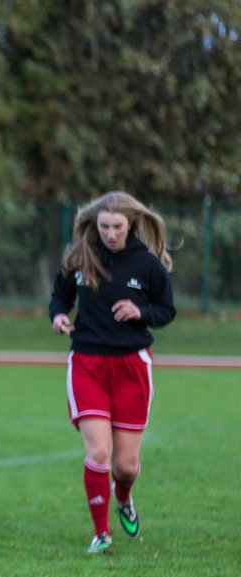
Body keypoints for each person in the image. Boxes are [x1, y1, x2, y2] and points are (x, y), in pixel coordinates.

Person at [49, 191, 176, 554]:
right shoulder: (79, 257)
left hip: (131, 367)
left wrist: (141, 312)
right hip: (87, 363)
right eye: (103, 226)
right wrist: (58, 315)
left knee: (124, 466)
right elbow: (59, 297)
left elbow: (166, 311)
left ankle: (124, 496)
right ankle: (101, 533)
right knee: (99, 452)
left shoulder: (148, 265)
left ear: (131, 224)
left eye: (117, 227)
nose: (110, 234)